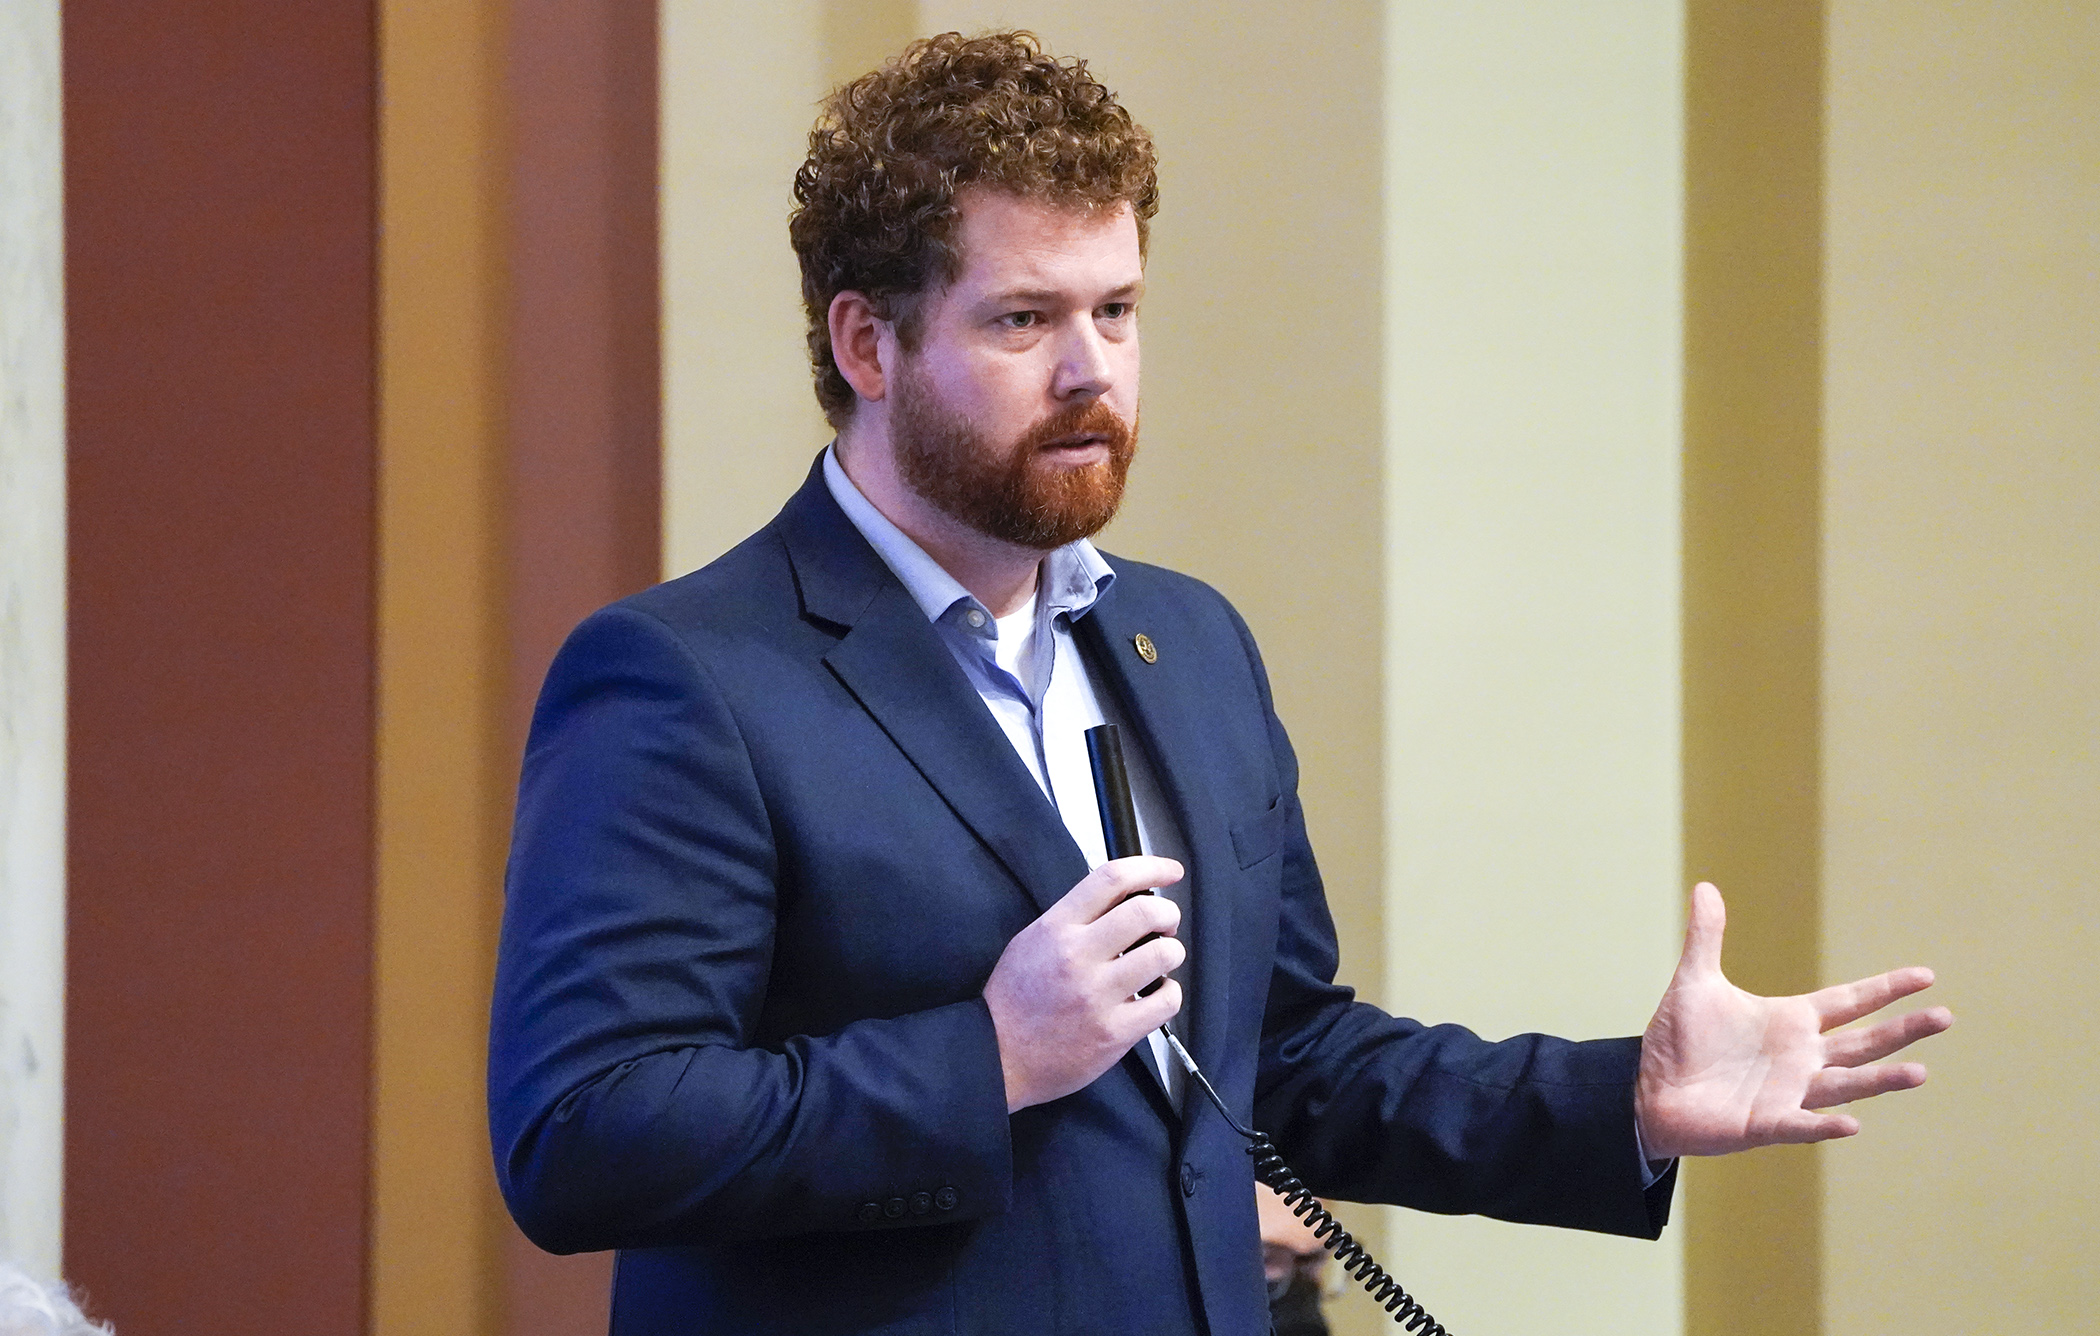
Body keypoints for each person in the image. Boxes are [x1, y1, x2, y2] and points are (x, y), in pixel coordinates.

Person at [488, 31, 1951, 1336]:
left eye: (1117, 312)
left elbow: (1287, 1057)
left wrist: (1621, 1099)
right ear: (868, 343)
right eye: (1023, 321)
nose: (1092, 373)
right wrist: (984, 1057)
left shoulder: (1186, 644)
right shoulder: (689, 679)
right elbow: (583, 1132)